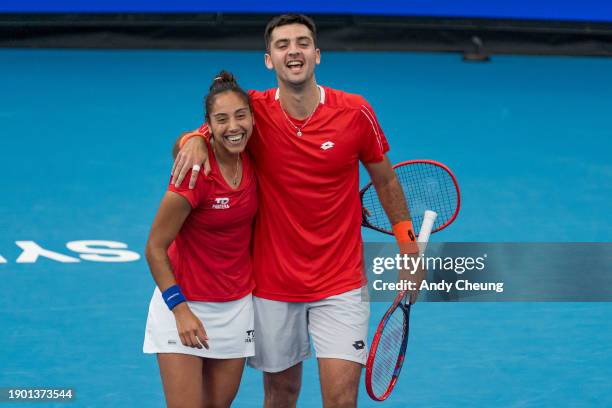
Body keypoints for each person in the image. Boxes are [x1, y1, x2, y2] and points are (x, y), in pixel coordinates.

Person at [172, 14, 424, 408]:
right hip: (273, 284)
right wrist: (193, 140)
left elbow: (386, 181)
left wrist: (408, 247)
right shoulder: (251, 111)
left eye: (302, 43)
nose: (294, 51)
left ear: (317, 55)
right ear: (269, 60)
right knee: (281, 394)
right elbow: (213, 130)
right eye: (283, 44)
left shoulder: (355, 112)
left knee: (341, 400)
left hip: (340, 281)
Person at [143, 71, 257, 408]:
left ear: (253, 118)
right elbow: (154, 247)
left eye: (240, 116)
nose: (233, 127)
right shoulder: (194, 173)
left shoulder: (253, 157)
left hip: (236, 308)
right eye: (221, 120)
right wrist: (179, 309)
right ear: (208, 124)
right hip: (184, 305)